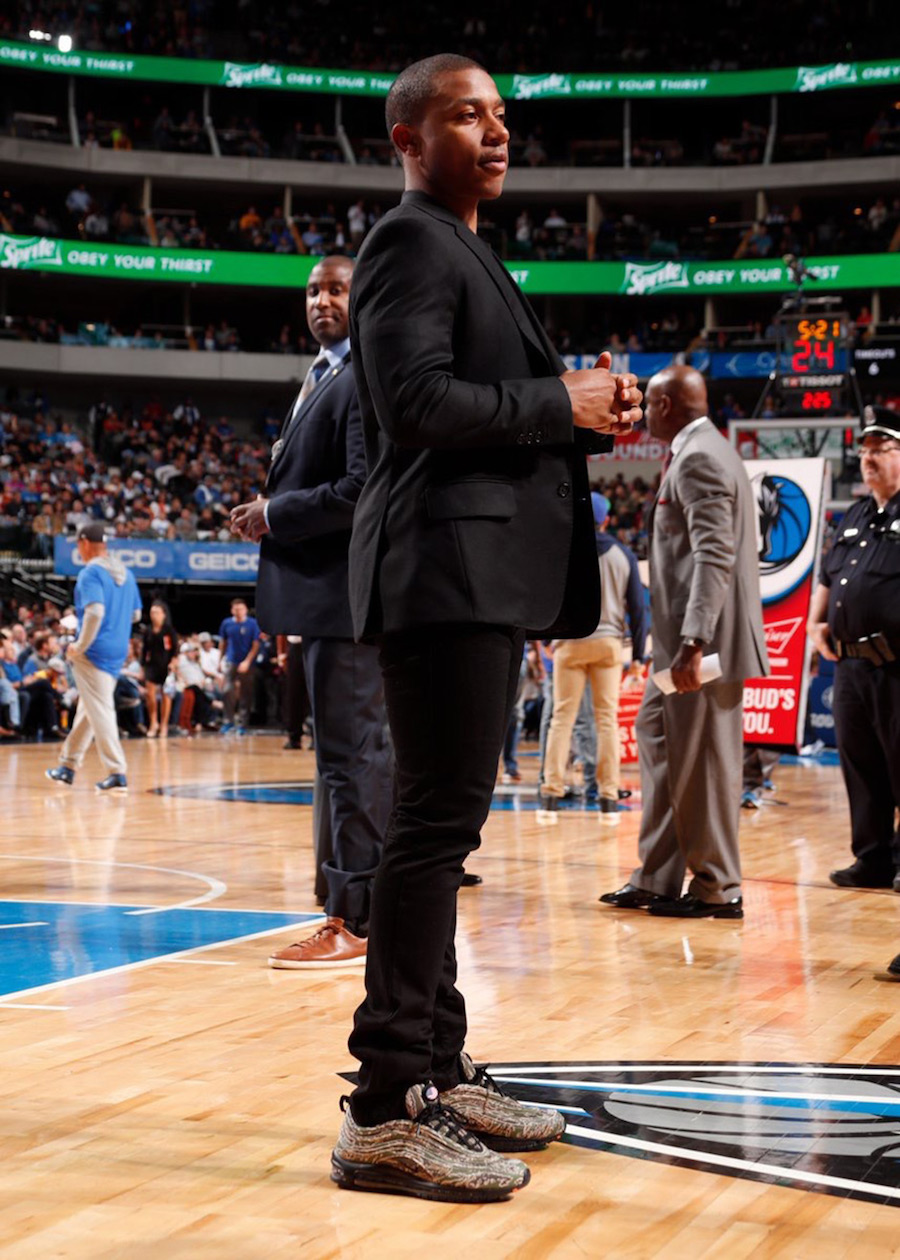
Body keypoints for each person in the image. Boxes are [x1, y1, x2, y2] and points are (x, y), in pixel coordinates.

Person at [331, 54, 640, 1204]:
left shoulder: (466, 247)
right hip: (439, 571)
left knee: (442, 835)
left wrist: (577, 418)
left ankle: (440, 1068)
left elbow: (475, 408)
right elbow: (413, 404)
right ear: (409, 138)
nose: (496, 132)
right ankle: (382, 1104)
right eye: (468, 115)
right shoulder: (409, 241)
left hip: (471, 575)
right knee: (428, 831)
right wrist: (557, 403)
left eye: (502, 115)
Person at [230, 254, 392, 969]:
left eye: (336, 288)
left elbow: (362, 490)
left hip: (348, 600)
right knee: (337, 765)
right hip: (325, 602)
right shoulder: (322, 372)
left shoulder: (362, 375)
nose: (322, 299)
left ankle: (357, 920)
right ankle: (342, 909)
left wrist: (274, 512)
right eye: (313, 290)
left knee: (353, 765)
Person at [601, 365, 768, 919]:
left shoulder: (699, 458)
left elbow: (715, 556)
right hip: (687, 644)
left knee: (705, 762)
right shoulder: (703, 451)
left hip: (705, 645)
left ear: (667, 405)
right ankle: (656, 875)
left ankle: (719, 887)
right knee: (658, 736)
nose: (643, 413)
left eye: (647, 404)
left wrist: (695, 639)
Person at [806, 405, 900, 897]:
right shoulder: (855, 513)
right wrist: (813, 623)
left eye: (881, 450)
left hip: (896, 665)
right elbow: (828, 573)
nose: (868, 458)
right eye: (864, 450)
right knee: (860, 765)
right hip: (850, 666)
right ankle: (873, 858)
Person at [541, 491, 647, 822]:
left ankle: (551, 795)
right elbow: (639, 609)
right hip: (608, 645)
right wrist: (640, 656)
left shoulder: (564, 550)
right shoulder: (624, 554)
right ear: (606, 520)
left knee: (562, 719)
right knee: (606, 721)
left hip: (570, 643)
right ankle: (608, 797)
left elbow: (545, 597)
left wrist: (545, 638)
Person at [46, 523, 142, 792]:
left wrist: (79, 645)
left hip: (94, 652)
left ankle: (117, 771)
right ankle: (67, 766)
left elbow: (95, 612)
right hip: (117, 651)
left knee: (100, 711)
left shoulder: (90, 573)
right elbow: (136, 615)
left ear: (85, 543)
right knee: (89, 710)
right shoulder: (127, 574)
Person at [217, 598, 260, 734]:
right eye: (236, 609)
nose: (238, 611)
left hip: (247, 663)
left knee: (245, 693)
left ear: (246, 610)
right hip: (231, 661)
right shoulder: (227, 623)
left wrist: (247, 662)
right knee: (227, 690)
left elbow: (256, 645)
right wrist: (220, 660)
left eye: (241, 609)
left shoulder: (253, 624)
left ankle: (242, 723)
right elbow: (223, 642)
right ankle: (228, 721)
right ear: (232, 610)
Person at [141, 600, 177, 738]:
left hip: (166, 666)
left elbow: (174, 650)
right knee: (150, 695)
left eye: (157, 612)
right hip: (151, 666)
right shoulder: (148, 630)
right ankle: (153, 722)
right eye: (152, 612)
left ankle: (164, 725)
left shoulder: (169, 631)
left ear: (163, 614)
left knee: (166, 696)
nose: (154, 615)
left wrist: (173, 663)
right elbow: (145, 650)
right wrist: (142, 666)